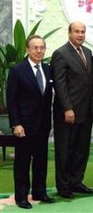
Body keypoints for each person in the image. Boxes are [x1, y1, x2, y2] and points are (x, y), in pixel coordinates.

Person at [7, 35, 55, 209]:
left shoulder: (48, 69)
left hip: (43, 125)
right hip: (24, 126)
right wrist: (16, 124)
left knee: (41, 160)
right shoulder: (17, 70)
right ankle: (21, 197)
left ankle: (39, 192)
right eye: (35, 47)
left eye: (42, 47)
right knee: (22, 162)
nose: (39, 50)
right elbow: (11, 101)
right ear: (28, 49)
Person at [51, 21, 93, 199]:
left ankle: (76, 182)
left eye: (83, 32)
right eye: (76, 31)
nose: (80, 35)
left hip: (86, 111)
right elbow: (60, 85)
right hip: (68, 113)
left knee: (81, 149)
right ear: (69, 33)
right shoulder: (60, 54)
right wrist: (67, 108)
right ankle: (63, 186)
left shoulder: (88, 52)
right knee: (64, 150)